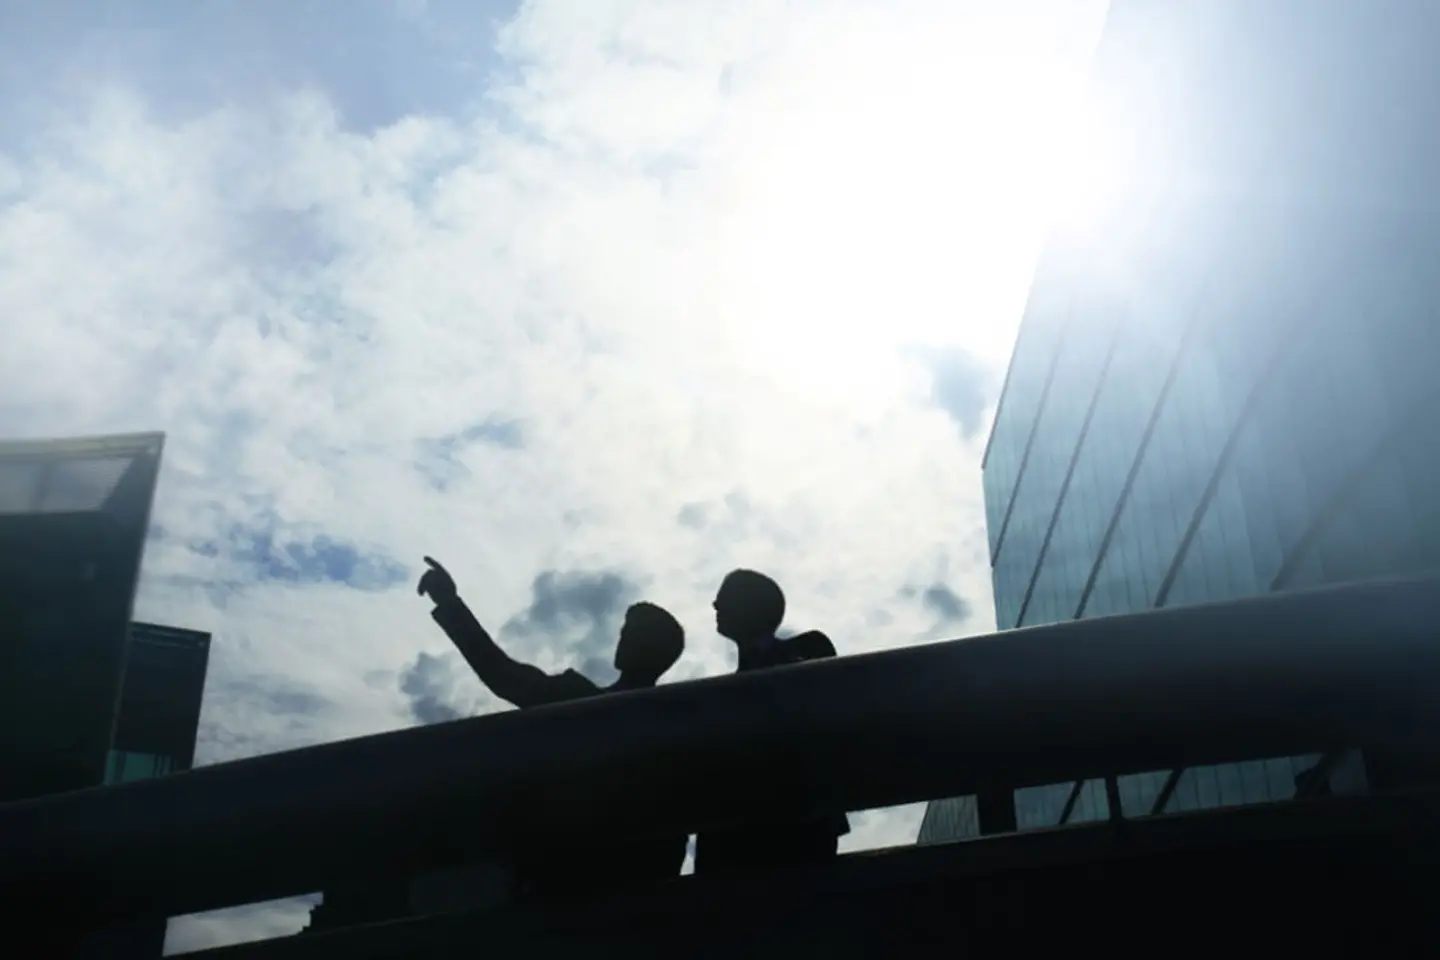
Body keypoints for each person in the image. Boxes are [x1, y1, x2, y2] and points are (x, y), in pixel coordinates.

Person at [417, 556, 689, 896]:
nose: (622, 641)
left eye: (629, 634)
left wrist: (451, 604)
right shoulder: (672, 736)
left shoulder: (577, 701)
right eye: (624, 632)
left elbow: (502, 674)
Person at [693, 568, 851, 875]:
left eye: (725, 597)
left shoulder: (806, 654)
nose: (715, 605)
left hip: (792, 840)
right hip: (736, 848)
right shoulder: (725, 690)